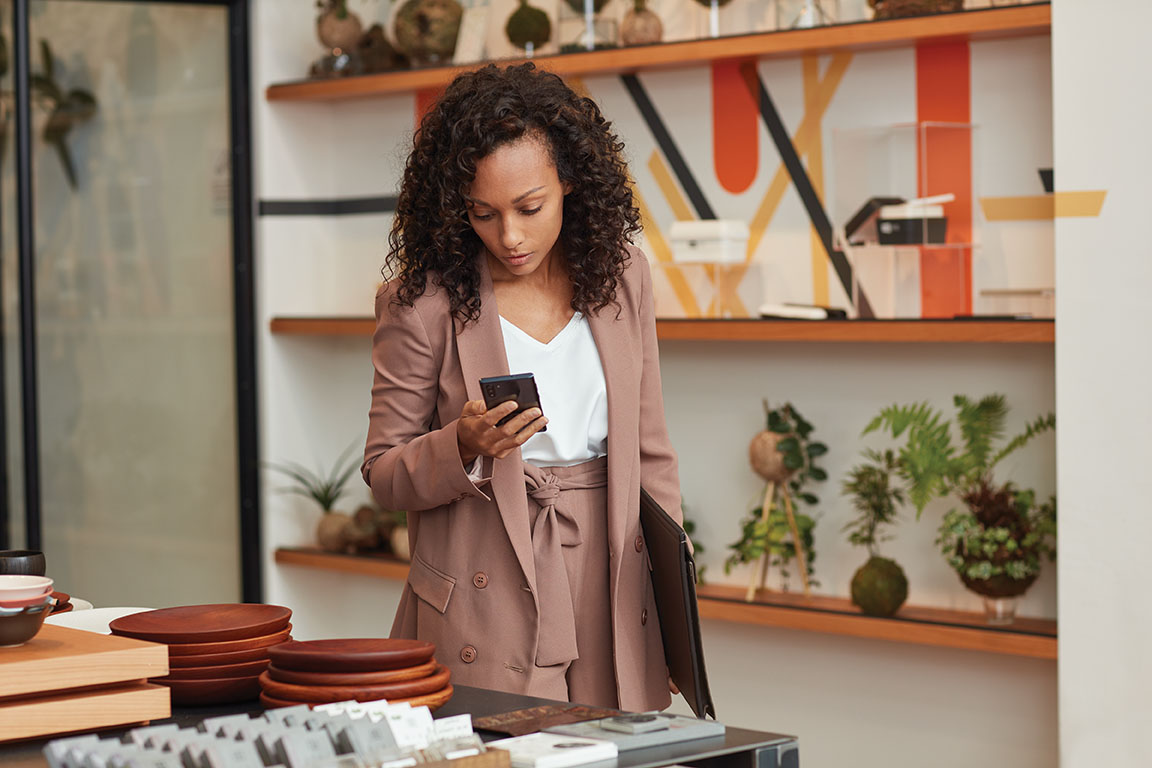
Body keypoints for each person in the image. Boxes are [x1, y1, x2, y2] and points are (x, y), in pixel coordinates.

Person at [362, 63, 683, 712]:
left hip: (610, 574)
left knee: (614, 752)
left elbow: (652, 455)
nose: (509, 236)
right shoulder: (422, 304)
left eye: (530, 208)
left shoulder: (624, 280)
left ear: (570, 179)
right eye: (483, 214)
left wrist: (677, 625)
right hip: (489, 580)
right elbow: (383, 472)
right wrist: (462, 445)